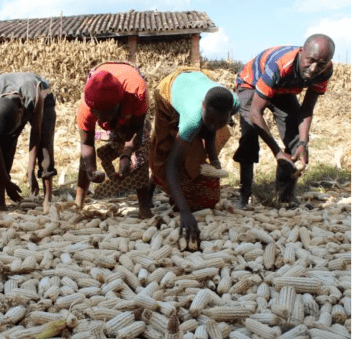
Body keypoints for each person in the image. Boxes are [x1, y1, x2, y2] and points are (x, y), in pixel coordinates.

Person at [233, 34, 335, 208]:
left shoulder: (325, 71)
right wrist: (277, 152)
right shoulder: (279, 65)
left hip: (283, 90)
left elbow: (307, 109)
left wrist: (302, 142)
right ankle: (245, 194)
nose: (313, 68)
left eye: (321, 64)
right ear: (301, 52)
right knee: (250, 134)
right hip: (251, 83)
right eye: (310, 61)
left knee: (296, 139)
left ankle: (285, 197)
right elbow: (255, 113)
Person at [149, 68, 239, 248]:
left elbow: (209, 130)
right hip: (171, 88)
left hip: (199, 82)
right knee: (165, 151)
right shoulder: (192, 118)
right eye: (210, 119)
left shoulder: (234, 103)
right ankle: (149, 190)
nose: (214, 126)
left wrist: (213, 159)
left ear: (229, 114)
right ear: (203, 107)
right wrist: (184, 212)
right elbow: (172, 165)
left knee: (207, 140)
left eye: (220, 121)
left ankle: (188, 187)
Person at [75, 61, 152, 218]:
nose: (102, 119)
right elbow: (86, 142)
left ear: (119, 103)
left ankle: (144, 207)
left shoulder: (136, 92)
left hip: (129, 120)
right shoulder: (86, 108)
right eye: (98, 114)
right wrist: (91, 168)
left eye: (107, 113)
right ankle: (78, 202)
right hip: (112, 114)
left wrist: (126, 154)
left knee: (142, 147)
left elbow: (136, 129)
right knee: (85, 158)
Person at [0, 72, 57, 212]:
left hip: (43, 97)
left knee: (45, 145)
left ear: (20, 112)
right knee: (5, 145)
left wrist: (30, 172)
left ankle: (48, 197)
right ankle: (0, 200)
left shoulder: (35, 95)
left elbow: (36, 133)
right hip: (10, 105)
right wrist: (6, 181)